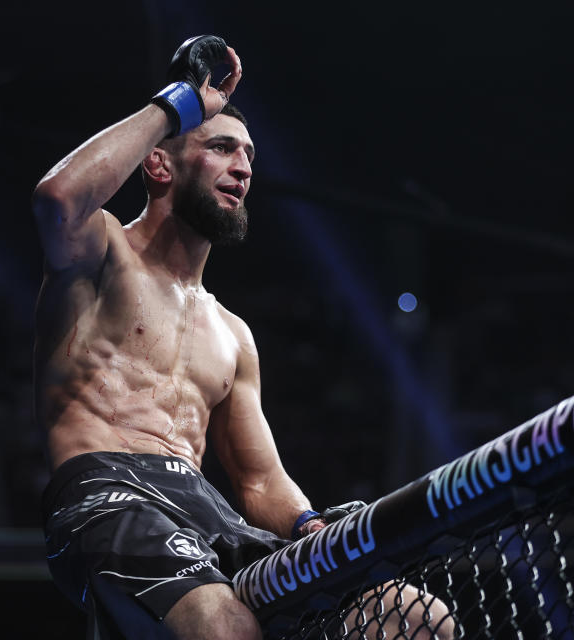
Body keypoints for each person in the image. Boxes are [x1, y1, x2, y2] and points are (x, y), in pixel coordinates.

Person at [33, 36, 451, 640]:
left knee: (416, 618)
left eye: (249, 154)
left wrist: (311, 526)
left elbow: (259, 481)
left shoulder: (232, 332)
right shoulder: (101, 253)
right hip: (107, 494)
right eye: (222, 147)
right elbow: (57, 197)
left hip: (208, 511)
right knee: (223, 625)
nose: (244, 166)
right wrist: (178, 105)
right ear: (160, 163)